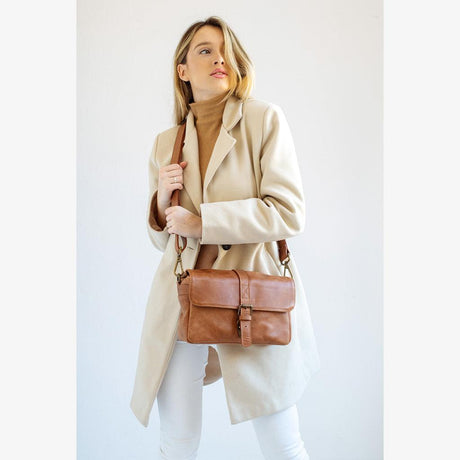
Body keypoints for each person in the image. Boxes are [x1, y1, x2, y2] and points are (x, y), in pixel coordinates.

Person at [130, 16, 321, 459]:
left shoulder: (263, 119)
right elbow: (164, 243)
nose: (220, 59)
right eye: (205, 50)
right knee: (176, 444)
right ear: (182, 69)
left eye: (226, 51)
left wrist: (203, 223)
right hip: (182, 300)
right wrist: (161, 202)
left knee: (282, 444)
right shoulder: (166, 143)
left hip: (251, 297)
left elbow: (289, 212)